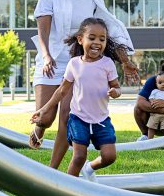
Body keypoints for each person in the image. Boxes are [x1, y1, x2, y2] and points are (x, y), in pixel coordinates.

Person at [27, 0, 139, 169]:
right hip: (51, 60)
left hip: (75, 62)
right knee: (46, 116)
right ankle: (39, 128)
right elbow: (43, 29)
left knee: (67, 117)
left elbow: (108, 28)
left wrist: (125, 60)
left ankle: (52, 171)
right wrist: (46, 55)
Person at [30, 18, 124, 180]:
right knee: (79, 156)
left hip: (101, 120)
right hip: (78, 118)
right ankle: (69, 187)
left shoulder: (107, 63)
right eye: (92, 38)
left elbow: (116, 86)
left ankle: (89, 168)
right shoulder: (74, 64)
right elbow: (62, 91)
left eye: (102, 39)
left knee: (109, 156)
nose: (97, 42)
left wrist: (116, 91)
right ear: (80, 39)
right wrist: (44, 109)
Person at [143, 70, 164, 138]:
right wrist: (153, 103)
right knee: (151, 128)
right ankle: (149, 140)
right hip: (155, 113)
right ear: (156, 84)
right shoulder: (155, 91)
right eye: (160, 82)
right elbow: (151, 99)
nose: (163, 84)